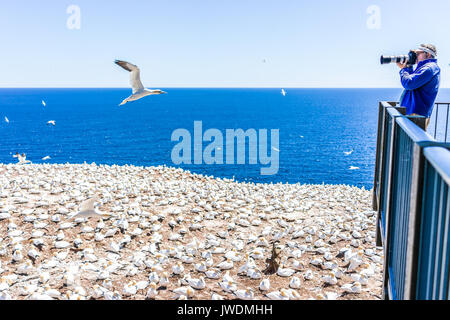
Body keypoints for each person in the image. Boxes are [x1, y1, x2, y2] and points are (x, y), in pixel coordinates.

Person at [397, 44, 440, 130]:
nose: (415, 56)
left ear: (428, 54)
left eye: (418, 54)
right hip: (415, 114)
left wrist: (404, 70)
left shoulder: (429, 68)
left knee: (412, 142)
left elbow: (409, 83)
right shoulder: (426, 67)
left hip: (416, 115)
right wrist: (408, 67)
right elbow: (412, 82)